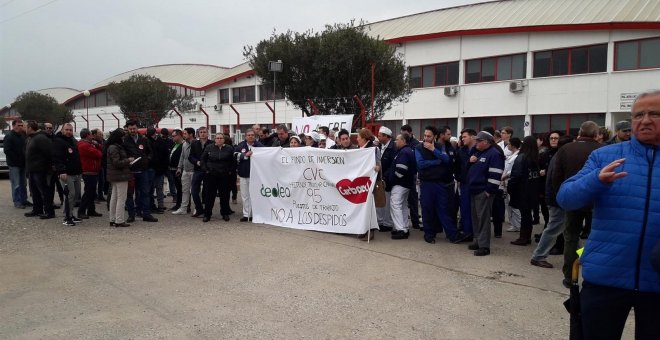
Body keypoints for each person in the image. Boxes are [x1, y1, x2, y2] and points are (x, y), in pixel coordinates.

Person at [557, 91, 660, 338]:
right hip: (605, 277)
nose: (645, 120)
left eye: (654, 113)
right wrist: (596, 181)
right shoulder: (605, 156)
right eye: (638, 115)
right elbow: (566, 197)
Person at [552, 121, 602, 288]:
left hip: (573, 199)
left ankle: (569, 275)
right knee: (597, 237)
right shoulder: (603, 150)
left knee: (571, 237)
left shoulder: (566, 149)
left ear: (580, 132)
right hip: (598, 201)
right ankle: (594, 272)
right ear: (596, 134)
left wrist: (561, 196)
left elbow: (556, 176)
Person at [415, 126, 464, 244]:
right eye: (425, 135)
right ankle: (429, 234)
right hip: (426, 183)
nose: (426, 138)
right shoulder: (418, 148)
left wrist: (433, 150)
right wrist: (437, 162)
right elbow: (421, 164)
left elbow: (446, 159)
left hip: (440, 183)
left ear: (435, 137)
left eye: (429, 136)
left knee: (443, 209)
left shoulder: (439, 147)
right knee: (427, 209)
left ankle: (453, 235)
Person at [530, 135, 573, 268]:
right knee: (554, 228)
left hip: (559, 198)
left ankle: (580, 256)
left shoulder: (558, 156)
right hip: (558, 200)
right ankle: (538, 256)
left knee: (571, 229)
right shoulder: (560, 158)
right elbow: (555, 181)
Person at [466, 131, 505, 256]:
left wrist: (489, 191)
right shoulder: (479, 152)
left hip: (484, 192)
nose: (476, 143)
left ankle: (484, 246)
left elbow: (495, 175)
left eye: (478, 141)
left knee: (483, 219)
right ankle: (477, 241)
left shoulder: (494, 154)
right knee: (476, 218)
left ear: (486, 142)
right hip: (474, 190)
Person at [508, 135, 541, 246]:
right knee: (528, 214)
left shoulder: (521, 157)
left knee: (524, 214)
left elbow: (516, 175)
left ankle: (523, 237)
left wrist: (510, 188)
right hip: (533, 190)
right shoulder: (536, 158)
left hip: (522, 190)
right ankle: (526, 236)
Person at [123, 119, 157, 223]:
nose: (132, 130)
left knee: (145, 193)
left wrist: (147, 160)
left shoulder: (144, 139)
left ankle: (146, 214)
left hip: (143, 171)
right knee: (129, 194)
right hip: (130, 171)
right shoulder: (124, 140)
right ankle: (131, 215)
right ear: (127, 129)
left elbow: (150, 152)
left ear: (137, 128)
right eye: (130, 129)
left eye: (134, 128)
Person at [387, 134, 417, 239]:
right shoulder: (408, 151)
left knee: (395, 205)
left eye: (397, 140)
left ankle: (401, 229)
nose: (395, 142)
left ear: (403, 140)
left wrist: (393, 180)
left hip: (400, 183)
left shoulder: (404, 152)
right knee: (403, 205)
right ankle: (404, 227)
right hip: (406, 183)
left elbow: (401, 170)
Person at [201, 133, 235, 222]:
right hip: (211, 175)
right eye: (217, 138)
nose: (219, 139)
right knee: (209, 196)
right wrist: (206, 170)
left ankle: (225, 213)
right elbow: (203, 159)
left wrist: (230, 171)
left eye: (221, 138)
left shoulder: (229, 148)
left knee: (224, 195)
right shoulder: (209, 147)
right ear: (214, 139)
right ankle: (207, 214)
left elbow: (233, 161)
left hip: (224, 175)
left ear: (224, 140)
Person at [24, 121, 55, 219]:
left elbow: (49, 153)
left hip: (41, 170)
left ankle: (49, 212)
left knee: (44, 191)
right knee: (35, 192)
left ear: (30, 128)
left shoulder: (41, 138)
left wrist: (48, 167)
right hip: (33, 170)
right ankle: (37, 209)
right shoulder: (31, 138)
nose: (24, 129)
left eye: (25, 127)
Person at [53, 123, 83, 223]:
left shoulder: (73, 141)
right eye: (67, 130)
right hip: (66, 173)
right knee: (70, 194)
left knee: (76, 194)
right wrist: (62, 171)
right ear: (62, 130)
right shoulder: (58, 141)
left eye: (70, 130)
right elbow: (57, 158)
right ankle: (67, 217)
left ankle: (71, 214)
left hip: (76, 172)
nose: (69, 132)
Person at [356, 128, 381, 241]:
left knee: (370, 206)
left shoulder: (374, 149)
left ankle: (371, 231)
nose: (357, 139)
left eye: (358, 137)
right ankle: (363, 229)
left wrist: (377, 167)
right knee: (362, 206)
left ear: (364, 138)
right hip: (360, 181)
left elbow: (379, 164)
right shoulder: (359, 148)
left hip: (370, 181)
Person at [106, 129, 134, 227]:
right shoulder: (115, 147)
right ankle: (119, 220)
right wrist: (128, 160)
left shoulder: (111, 147)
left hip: (115, 176)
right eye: (122, 137)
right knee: (121, 198)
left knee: (114, 197)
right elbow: (117, 163)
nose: (124, 138)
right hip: (120, 175)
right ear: (119, 137)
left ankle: (113, 219)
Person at [234, 129, 263, 222]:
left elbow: (265, 156)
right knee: (245, 195)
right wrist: (245, 155)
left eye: (252, 135)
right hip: (243, 174)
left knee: (255, 195)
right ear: (245, 136)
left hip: (255, 176)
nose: (251, 136)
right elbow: (234, 155)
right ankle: (246, 215)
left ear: (255, 136)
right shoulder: (241, 145)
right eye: (249, 135)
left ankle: (255, 214)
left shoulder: (259, 146)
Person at [77, 128, 103, 219]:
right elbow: (99, 154)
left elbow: (100, 150)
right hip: (88, 171)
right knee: (88, 192)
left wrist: (97, 145)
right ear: (88, 135)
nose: (92, 136)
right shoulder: (84, 145)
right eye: (91, 134)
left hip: (93, 170)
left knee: (91, 192)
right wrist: (97, 147)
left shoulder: (88, 144)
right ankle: (81, 211)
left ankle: (91, 210)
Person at [4, 119, 29, 209]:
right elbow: (7, 150)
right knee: (16, 184)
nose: (20, 127)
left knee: (23, 183)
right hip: (14, 165)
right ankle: (17, 201)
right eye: (18, 125)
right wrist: (17, 159)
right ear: (13, 125)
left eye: (21, 125)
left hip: (23, 164)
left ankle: (24, 200)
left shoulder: (23, 136)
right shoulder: (9, 136)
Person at [457, 128, 477, 238]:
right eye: (462, 137)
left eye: (465, 136)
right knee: (465, 208)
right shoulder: (461, 151)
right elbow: (458, 167)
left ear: (473, 137)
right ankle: (467, 231)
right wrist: (460, 177)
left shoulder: (480, 150)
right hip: (465, 183)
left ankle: (475, 233)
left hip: (477, 184)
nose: (462, 139)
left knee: (476, 210)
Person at [400, 124, 421, 229]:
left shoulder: (416, 144)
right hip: (403, 175)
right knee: (403, 200)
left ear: (410, 132)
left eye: (404, 133)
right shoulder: (402, 143)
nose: (403, 135)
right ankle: (404, 221)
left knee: (413, 199)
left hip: (412, 175)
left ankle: (415, 222)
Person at [376, 126, 395, 232]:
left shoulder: (393, 148)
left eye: (379, 135)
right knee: (380, 201)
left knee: (387, 202)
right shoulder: (379, 146)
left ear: (386, 136)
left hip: (387, 180)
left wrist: (385, 177)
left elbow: (392, 165)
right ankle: (381, 221)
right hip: (380, 179)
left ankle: (387, 223)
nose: (378, 137)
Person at [189, 126, 211, 217]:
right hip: (197, 170)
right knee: (194, 191)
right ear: (198, 134)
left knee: (207, 191)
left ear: (207, 133)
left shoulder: (212, 144)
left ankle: (207, 211)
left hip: (208, 171)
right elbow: (190, 156)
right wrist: (196, 162)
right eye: (201, 132)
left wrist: (206, 164)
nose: (203, 134)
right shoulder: (194, 144)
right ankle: (199, 209)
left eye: (204, 132)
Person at [172, 128, 195, 215]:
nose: (183, 135)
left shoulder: (196, 143)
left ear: (191, 134)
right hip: (185, 170)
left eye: (185, 133)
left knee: (195, 191)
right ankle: (183, 208)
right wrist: (179, 168)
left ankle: (197, 208)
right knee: (184, 190)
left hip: (194, 170)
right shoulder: (184, 144)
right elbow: (182, 157)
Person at [502, 137, 521, 233]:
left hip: (512, 182)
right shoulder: (512, 155)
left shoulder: (517, 156)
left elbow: (513, 170)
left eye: (509, 144)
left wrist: (504, 177)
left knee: (514, 204)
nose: (508, 145)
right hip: (507, 182)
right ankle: (514, 224)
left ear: (513, 145)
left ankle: (518, 224)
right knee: (509, 204)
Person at [168, 129, 183, 212]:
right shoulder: (175, 145)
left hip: (179, 170)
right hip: (172, 169)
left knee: (181, 188)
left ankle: (182, 204)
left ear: (179, 135)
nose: (172, 137)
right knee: (177, 187)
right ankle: (178, 203)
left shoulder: (183, 145)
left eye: (174, 136)